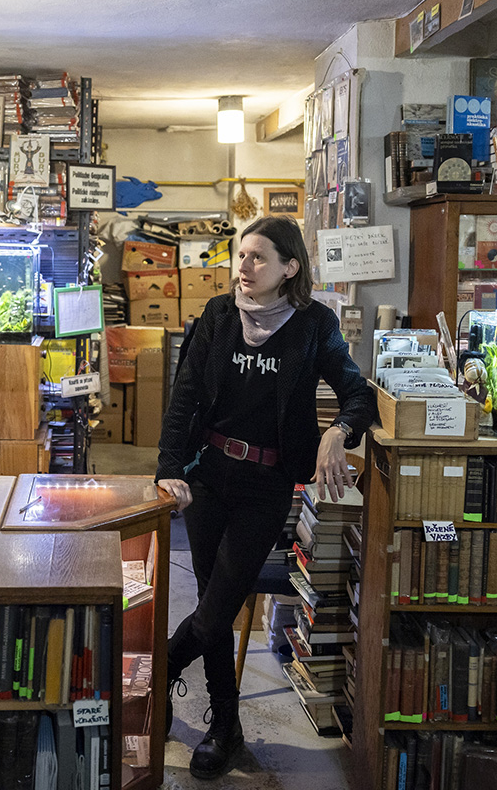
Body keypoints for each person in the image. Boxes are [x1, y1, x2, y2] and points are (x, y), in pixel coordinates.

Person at [155, 215, 375, 780]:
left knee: (214, 609)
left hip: (266, 486)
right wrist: (169, 468)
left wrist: (337, 431)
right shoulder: (218, 315)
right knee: (214, 602)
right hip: (208, 477)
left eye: (258, 257)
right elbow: (184, 397)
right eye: (242, 255)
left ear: (289, 267)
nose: (244, 266)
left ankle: (158, 672)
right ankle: (225, 728)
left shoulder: (314, 324)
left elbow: (359, 394)